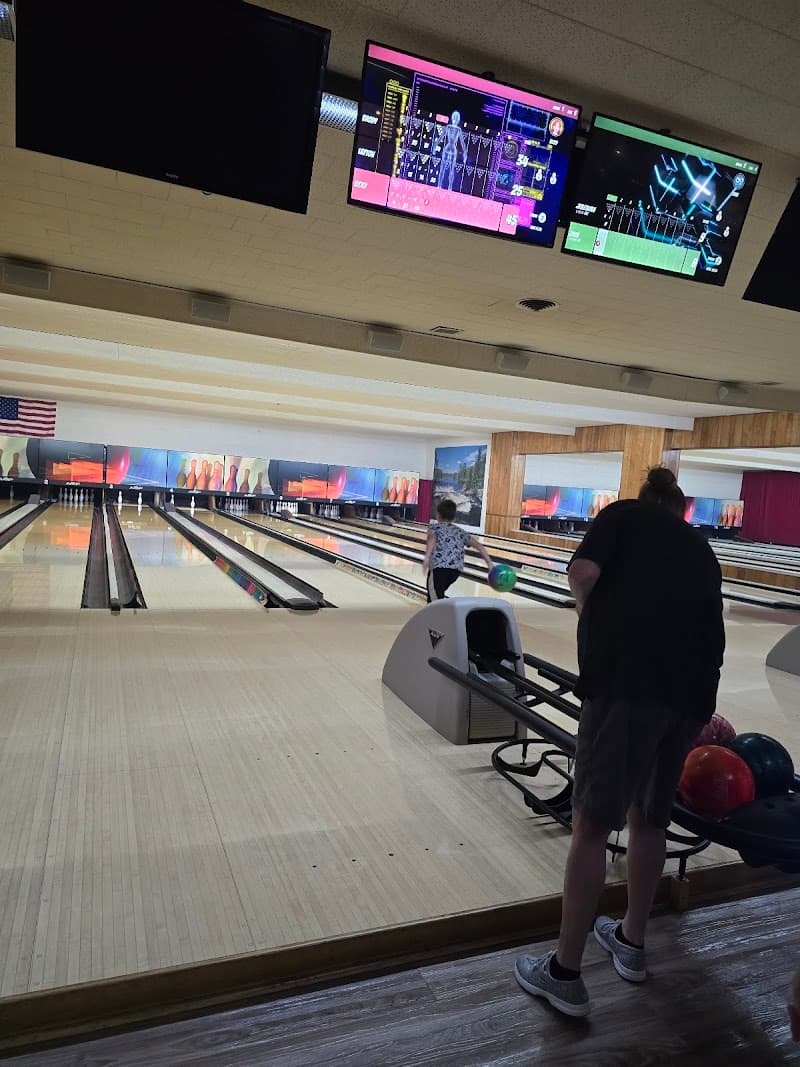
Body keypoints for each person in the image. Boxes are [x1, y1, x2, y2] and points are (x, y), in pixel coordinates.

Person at [514, 467, 725, 1017]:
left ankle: (564, 972)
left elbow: (582, 571)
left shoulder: (622, 516)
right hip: (688, 698)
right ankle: (631, 942)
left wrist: (592, 616)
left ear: (643, 499)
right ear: (680, 509)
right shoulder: (700, 548)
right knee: (650, 819)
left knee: (590, 827)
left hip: (627, 688)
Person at [422, 498, 493, 601]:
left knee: (434, 601)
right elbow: (480, 547)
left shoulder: (434, 528)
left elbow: (432, 539)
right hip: (455, 571)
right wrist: (490, 565)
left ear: (438, 515)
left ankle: (441, 615)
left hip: (439, 569)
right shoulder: (460, 531)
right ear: (453, 517)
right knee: (437, 595)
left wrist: (427, 558)